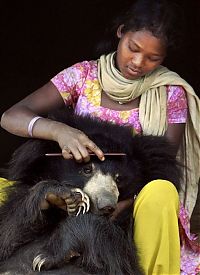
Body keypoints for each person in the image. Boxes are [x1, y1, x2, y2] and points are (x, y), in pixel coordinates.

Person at [1, 0, 200, 273]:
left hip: (131, 208)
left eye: (153, 58)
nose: (139, 62)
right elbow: (11, 116)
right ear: (120, 33)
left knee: (161, 192)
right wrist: (60, 131)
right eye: (134, 48)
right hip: (65, 191)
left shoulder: (170, 93)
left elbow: (160, 170)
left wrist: (121, 203)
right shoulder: (82, 76)